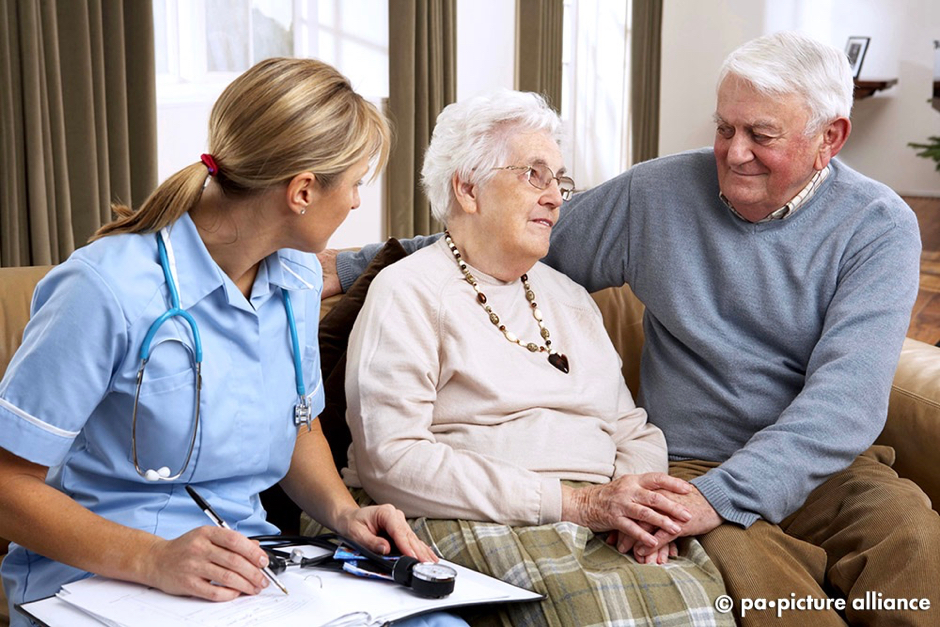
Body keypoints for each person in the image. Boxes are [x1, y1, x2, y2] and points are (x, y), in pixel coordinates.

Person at [326, 32, 940, 626]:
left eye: (762, 135)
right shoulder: (660, 193)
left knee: (914, 548)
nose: (733, 151)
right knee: (766, 595)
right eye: (725, 127)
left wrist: (722, 496)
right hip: (691, 465)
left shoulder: (877, 226)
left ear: (829, 138)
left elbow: (847, 402)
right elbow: (500, 230)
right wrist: (358, 265)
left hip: (825, 465)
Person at [0, 57, 465, 627]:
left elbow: (298, 427)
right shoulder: (104, 287)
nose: (356, 203)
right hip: (96, 582)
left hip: (250, 576)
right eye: (355, 184)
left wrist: (345, 515)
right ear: (301, 192)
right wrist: (153, 559)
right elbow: (7, 485)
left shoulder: (293, 280)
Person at [328, 89, 731, 627]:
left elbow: (632, 430)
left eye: (559, 181)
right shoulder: (409, 291)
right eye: (534, 175)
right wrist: (576, 504)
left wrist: (639, 513)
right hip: (476, 515)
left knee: (707, 607)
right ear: (467, 189)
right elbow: (391, 462)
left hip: (598, 518)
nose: (556, 198)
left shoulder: (570, 298)